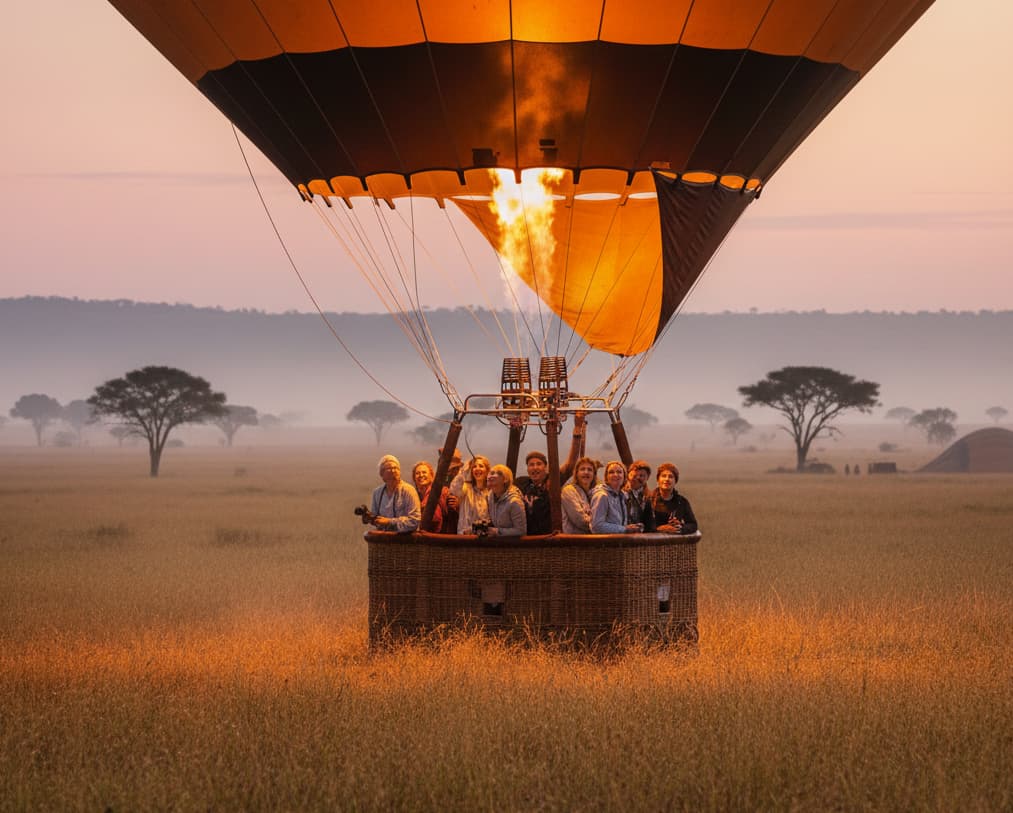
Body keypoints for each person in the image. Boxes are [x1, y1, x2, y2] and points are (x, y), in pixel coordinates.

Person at [514, 411, 587, 534]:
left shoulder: (552, 480)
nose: (535, 467)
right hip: (526, 538)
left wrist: (577, 429)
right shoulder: (521, 483)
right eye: (531, 465)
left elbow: (570, 465)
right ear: (527, 469)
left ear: (546, 468)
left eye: (539, 464)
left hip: (549, 537)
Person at [368, 454, 421, 533]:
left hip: (405, 541)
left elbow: (415, 521)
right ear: (381, 474)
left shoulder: (408, 490)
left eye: (395, 468)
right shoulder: (377, 493)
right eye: (389, 468)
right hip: (383, 541)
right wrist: (369, 518)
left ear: (400, 471)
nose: (393, 471)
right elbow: (376, 520)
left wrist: (390, 522)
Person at [590, 460, 643, 534]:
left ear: (624, 476)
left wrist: (629, 527)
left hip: (618, 542)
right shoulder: (602, 496)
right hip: (604, 544)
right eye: (611, 472)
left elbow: (618, 524)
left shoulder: (622, 497)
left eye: (619, 472)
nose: (615, 475)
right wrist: (624, 529)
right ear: (606, 477)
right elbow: (596, 526)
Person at [649, 462, 698, 535]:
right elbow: (641, 524)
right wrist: (659, 529)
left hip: (674, 544)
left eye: (671, 477)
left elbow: (693, 525)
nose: (667, 479)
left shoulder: (682, 502)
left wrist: (680, 527)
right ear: (658, 480)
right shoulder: (648, 500)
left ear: (676, 481)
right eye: (663, 476)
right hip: (651, 544)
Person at [449, 454, 491, 535]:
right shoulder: (466, 488)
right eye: (474, 466)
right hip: (465, 535)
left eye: (481, 466)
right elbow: (454, 489)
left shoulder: (491, 492)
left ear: (487, 471)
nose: (477, 469)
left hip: (484, 536)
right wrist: (464, 471)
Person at [484, 464, 527, 536]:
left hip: (512, 545)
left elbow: (521, 531)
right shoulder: (490, 497)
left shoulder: (515, 502)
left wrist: (497, 531)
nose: (491, 476)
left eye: (498, 473)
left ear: (505, 479)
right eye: (491, 473)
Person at [561, 456, 598, 533]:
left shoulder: (594, 493)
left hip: (591, 540)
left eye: (590, 470)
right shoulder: (569, 491)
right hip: (574, 541)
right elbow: (579, 520)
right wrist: (601, 526)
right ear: (576, 473)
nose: (586, 472)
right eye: (582, 469)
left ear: (594, 474)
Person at [411, 460, 445, 533]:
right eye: (417, 473)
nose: (421, 475)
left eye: (424, 472)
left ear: (431, 476)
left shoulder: (441, 491)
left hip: (438, 536)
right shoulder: (413, 495)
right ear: (414, 478)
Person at [623, 459, 656, 532]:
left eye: (642, 476)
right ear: (628, 475)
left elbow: (650, 521)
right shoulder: (621, 493)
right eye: (634, 475)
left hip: (639, 536)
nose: (638, 478)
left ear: (647, 478)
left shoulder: (648, 497)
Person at [437, 446, 463, 534]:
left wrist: (459, 505)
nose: (450, 471)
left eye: (454, 468)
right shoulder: (440, 480)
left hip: (459, 527)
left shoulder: (464, 481)